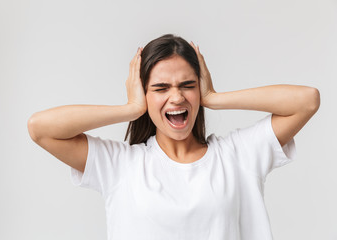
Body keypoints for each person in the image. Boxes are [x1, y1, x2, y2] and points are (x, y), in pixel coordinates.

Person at [27, 34, 320, 240]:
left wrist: (214, 98)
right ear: (144, 93)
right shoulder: (121, 165)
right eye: (161, 88)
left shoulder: (237, 155)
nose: (177, 96)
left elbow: (306, 101)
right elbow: (41, 128)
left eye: (187, 85)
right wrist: (130, 108)